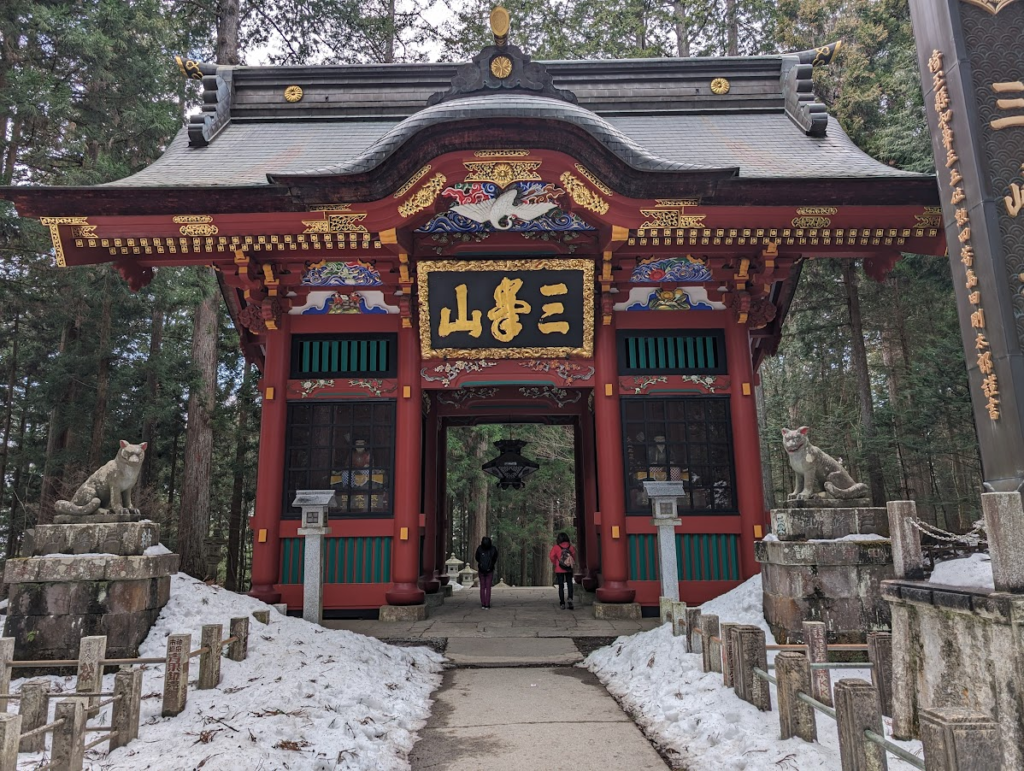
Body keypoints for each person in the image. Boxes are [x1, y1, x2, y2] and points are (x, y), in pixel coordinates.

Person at [549, 532, 577, 610]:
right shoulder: (571, 547)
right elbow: (573, 557)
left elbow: (551, 556)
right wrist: (569, 564)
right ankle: (570, 599)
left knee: (561, 586)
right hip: (568, 569)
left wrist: (557, 563)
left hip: (559, 568)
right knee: (569, 584)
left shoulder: (556, 547)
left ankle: (562, 603)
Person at [475, 536, 498, 609]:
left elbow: (477, 557)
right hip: (490, 570)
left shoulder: (479, 548)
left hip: (481, 570)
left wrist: (481, 564)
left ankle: (483, 604)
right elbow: (495, 558)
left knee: (482, 587)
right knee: (488, 587)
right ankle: (487, 604)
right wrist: (491, 565)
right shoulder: (493, 549)